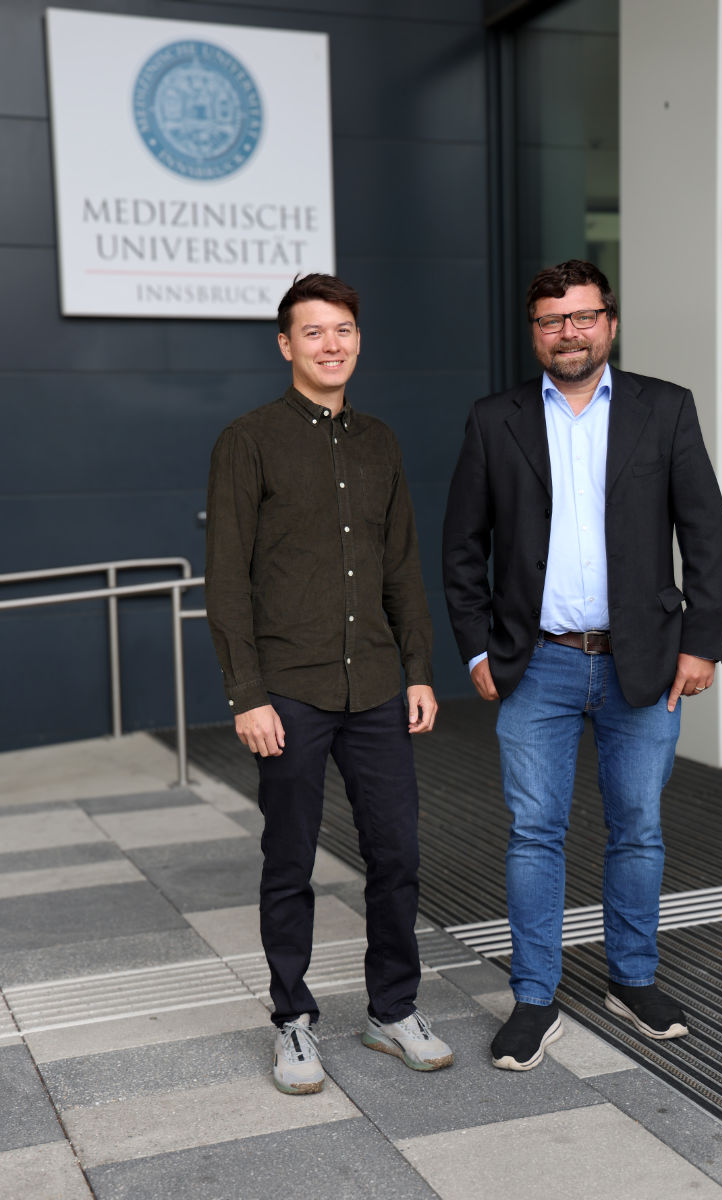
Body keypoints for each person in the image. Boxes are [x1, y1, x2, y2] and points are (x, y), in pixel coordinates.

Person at [443, 259, 722, 1071]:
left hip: (643, 663)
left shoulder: (663, 408)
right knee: (533, 833)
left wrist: (701, 641)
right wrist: (474, 646)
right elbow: (462, 545)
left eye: (581, 317)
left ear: (608, 321)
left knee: (636, 830)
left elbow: (706, 533)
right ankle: (534, 998)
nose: (567, 332)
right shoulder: (492, 419)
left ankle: (630, 979)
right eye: (550, 320)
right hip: (536, 664)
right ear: (532, 331)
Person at [205, 272, 453, 1095]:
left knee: (397, 855)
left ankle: (392, 1009)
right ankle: (292, 1022)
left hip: (378, 684)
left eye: (343, 328)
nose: (331, 344)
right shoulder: (248, 441)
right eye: (313, 331)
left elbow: (400, 567)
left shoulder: (379, 442)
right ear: (286, 345)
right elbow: (227, 580)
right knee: (290, 862)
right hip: (291, 691)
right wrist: (246, 693)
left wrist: (419, 671)